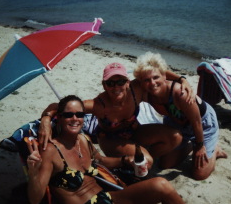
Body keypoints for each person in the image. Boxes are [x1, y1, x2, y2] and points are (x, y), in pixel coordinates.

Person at [27, 95, 201, 204]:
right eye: (68, 115)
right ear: (60, 118)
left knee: (162, 184)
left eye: (79, 114)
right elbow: (35, 200)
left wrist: (126, 161)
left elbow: (100, 161)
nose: (75, 119)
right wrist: (34, 172)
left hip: (107, 199)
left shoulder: (83, 139)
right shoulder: (51, 151)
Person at [39, 62, 194, 170]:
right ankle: (141, 161)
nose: (116, 87)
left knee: (176, 136)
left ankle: (140, 161)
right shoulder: (98, 105)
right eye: (110, 83)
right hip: (111, 140)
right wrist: (46, 119)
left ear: (127, 82)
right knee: (146, 160)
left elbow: (157, 71)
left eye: (120, 81)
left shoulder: (136, 89)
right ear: (104, 85)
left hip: (135, 132)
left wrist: (181, 79)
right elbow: (58, 106)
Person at [133, 52, 227, 180]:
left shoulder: (179, 93)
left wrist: (200, 146)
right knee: (165, 164)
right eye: (146, 80)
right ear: (141, 82)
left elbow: (196, 122)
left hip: (202, 123)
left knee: (199, 174)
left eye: (156, 77)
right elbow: (128, 87)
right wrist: (181, 78)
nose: (152, 83)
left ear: (164, 76)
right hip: (176, 124)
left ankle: (214, 150)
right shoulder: (146, 93)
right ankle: (189, 145)